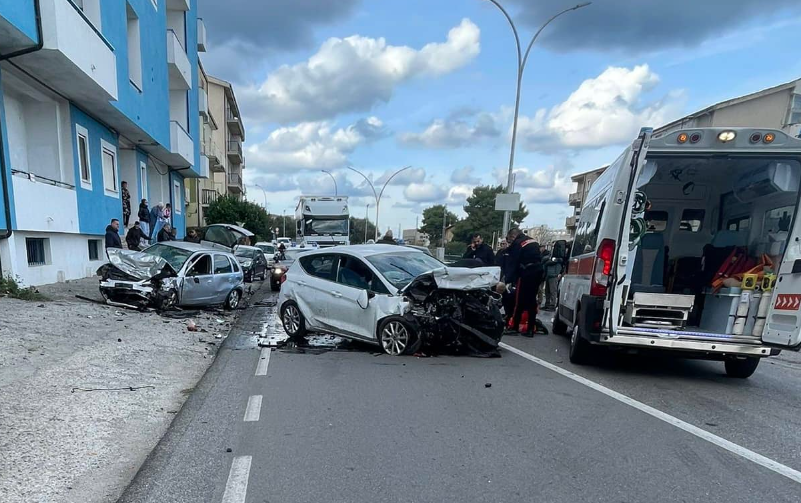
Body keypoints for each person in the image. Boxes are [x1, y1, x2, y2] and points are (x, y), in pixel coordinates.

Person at [504, 228, 545, 337]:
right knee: (532, 301)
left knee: (519, 301)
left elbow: (513, 263)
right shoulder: (533, 241)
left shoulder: (518, 243)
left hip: (527, 272)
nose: (509, 243)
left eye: (509, 240)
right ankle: (530, 329)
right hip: (538, 272)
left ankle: (514, 327)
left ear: (513, 236)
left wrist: (508, 280)